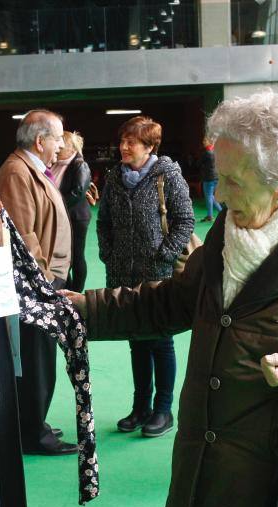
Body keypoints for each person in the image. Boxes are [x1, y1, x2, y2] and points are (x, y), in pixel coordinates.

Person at [62, 90, 278, 507]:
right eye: (221, 176)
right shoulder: (229, 230)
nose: (221, 196)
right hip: (200, 467)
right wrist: (75, 311)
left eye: (236, 182)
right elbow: (170, 302)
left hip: (276, 484)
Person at [96, 115, 194, 437]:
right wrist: (108, 253)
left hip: (158, 274)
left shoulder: (168, 175)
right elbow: (104, 221)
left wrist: (164, 254)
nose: (123, 147)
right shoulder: (114, 178)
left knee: (160, 341)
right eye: (122, 141)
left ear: (149, 146)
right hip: (123, 273)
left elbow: (184, 220)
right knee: (136, 340)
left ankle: (163, 410)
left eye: (131, 142)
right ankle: (141, 407)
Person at [0, 109, 78, 455]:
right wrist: (44, 280)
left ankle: (34, 422)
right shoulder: (16, 171)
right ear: (40, 141)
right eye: (57, 137)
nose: (61, 144)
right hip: (37, 283)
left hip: (45, 280)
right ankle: (32, 431)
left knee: (40, 357)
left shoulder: (28, 168)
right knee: (36, 359)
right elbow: (23, 235)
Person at [51, 131, 93, 291]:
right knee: (62, 255)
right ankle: (65, 288)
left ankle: (77, 292)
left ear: (70, 147)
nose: (58, 146)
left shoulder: (80, 164)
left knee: (76, 256)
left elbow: (77, 192)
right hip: (62, 216)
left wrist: (56, 209)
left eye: (61, 144)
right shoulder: (55, 163)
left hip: (76, 217)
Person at [198, 136, 223, 222]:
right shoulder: (215, 152)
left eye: (205, 141)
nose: (203, 142)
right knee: (211, 196)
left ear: (210, 142)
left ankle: (210, 216)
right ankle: (222, 212)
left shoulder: (207, 153)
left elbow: (198, 163)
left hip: (208, 178)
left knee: (208, 196)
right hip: (215, 177)